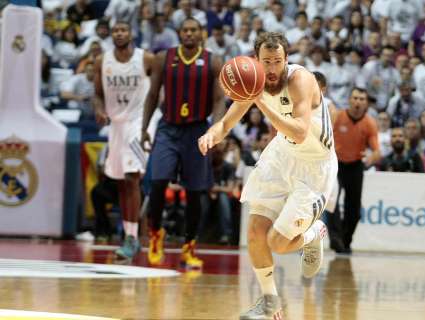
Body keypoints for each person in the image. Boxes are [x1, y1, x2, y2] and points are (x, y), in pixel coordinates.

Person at [198, 32, 337, 320]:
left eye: (277, 61)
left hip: (314, 166)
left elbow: (299, 133)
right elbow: (227, 122)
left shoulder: (301, 80)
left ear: (286, 59)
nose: (272, 68)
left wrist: (258, 102)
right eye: (266, 62)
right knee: (255, 231)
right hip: (281, 156)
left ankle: (313, 234)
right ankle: (270, 302)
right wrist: (212, 134)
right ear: (257, 61)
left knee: (277, 241)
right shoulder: (257, 81)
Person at [140, 18, 225, 268]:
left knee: (195, 191)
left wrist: (217, 130)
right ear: (179, 34)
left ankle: (189, 247)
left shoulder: (213, 61)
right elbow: (153, 94)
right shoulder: (163, 58)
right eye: (185, 30)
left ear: (201, 34)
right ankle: (156, 234)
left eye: (193, 30)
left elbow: (219, 100)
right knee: (157, 183)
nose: (189, 33)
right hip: (168, 127)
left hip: (197, 130)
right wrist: (144, 128)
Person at [93, 21, 154, 261]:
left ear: (131, 33)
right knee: (121, 182)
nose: (119, 33)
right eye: (116, 30)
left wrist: (151, 122)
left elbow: (158, 87)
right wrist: (99, 109)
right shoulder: (102, 61)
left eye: (123, 30)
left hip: (138, 124)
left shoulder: (146, 59)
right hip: (116, 125)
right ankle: (130, 235)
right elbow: (97, 94)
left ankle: (132, 237)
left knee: (132, 177)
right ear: (111, 34)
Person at [330, 87, 380, 254]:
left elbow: (376, 151)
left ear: (366, 104)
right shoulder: (337, 116)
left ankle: (346, 241)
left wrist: (370, 159)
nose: (358, 102)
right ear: (349, 100)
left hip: (356, 165)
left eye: (362, 99)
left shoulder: (370, 123)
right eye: (355, 98)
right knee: (332, 202)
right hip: (335, 164)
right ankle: (336, 239)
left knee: (354, 209)